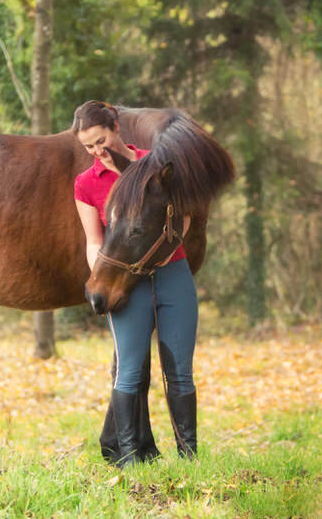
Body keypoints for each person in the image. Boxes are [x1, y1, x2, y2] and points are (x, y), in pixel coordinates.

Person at [71, 100, 199, 467]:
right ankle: (128, 459)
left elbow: (185, 219)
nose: (97, 151)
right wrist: (108, 279)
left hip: (173, 274)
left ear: (116, 127)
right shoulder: (86, 184)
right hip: (127, 283)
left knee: (180, 371)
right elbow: (94, 241)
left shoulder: (157, 167)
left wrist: (159, 257)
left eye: (101, 140)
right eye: (88, 147)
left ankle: (189, 458)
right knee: (128, 370)